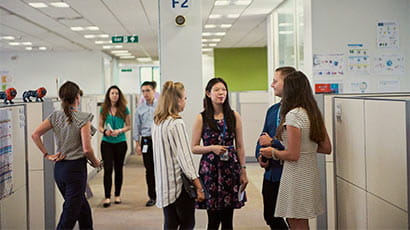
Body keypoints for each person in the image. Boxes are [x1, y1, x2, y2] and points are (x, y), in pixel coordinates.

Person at [260, 71, 331, 229]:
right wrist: (306, 148)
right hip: (309, 173)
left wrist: (272, 152)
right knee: (300, 221)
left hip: (295, 175)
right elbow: (326, 148)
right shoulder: (312, 113)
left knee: (296, 222)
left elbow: (292, 154)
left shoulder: (293, 115)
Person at [31, 81, 101, 230]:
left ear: (61, 98)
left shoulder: (55, 116)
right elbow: (87, 149)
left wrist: (47, 155)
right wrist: (96, 163)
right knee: (70, 214)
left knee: (82, 208)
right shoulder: (83, 118)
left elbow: (35, 134)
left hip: (60, 169)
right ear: (77, 97)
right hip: (75, 170)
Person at [191, 77, 248, 230]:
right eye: (217, 90)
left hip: (230, 169)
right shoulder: (201, 118)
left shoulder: (234, 116)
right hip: (210, 171)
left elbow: (240, 146)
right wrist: (212, 148)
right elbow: (194, 147)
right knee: (213, 221)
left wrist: (243, 171)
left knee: (228, 220)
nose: (221, 93)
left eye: (223, 89)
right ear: (208, 94)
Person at [152, 81, 205, 230]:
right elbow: (185, 159)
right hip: (178, 185)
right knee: (187, 223)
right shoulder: (176, 123)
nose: (185, 101)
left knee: (170, 223)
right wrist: (198, 186)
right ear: (177, 100)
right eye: (185, 98)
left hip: (164, 184)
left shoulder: (157, 123)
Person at [255, 66, 295, 230]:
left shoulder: (296, 112)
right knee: (270, 216)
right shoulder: (272, 110)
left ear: (287, 83)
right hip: (271, 173)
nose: (272, 85)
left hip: (290, 172)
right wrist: (260, 155)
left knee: (293, 218)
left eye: (275, 81)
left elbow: (295, 146)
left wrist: (273, 144)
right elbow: (262, 137)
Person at [98, 85, 131, 207]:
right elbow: (100, 126)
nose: (114, 95)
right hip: (106, 142)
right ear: (108, 95)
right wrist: (104, 131)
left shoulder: (124, 109)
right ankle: (107, 197)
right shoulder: (104, 109)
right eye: (112, 93)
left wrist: (120, 131)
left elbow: (129, 125)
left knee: (118, 169)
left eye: (116, 93)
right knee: (107, 169)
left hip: (120, 143)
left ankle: (117, 195)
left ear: (119, 95)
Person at [133, 81, 157, 207]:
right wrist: (137, 144)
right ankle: (152, 196)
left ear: (154, 91)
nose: (145, 93)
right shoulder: (140, 109)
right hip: (146, 141)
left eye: (148, 90)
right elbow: (136, 127)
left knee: (160, 168)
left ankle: (162, 194)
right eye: (143, 91)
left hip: (158, 140)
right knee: (149, 170)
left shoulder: (160, 106)